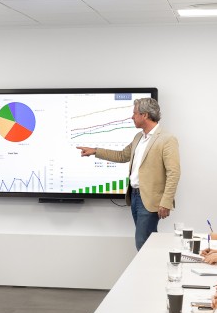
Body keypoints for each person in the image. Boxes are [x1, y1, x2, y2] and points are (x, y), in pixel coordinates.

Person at [77, 98, 180, 250]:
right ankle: (151, 271)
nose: (132, 117)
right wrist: (95, 151)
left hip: (151, 200)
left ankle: (148, 272)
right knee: (147, 241)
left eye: (134, 113)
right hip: (135, 196)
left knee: (143, 242)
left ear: (144, 115)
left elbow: (174, 172)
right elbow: (122, 156)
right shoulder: (139, 137)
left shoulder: (166, 139)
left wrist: (166, 201)